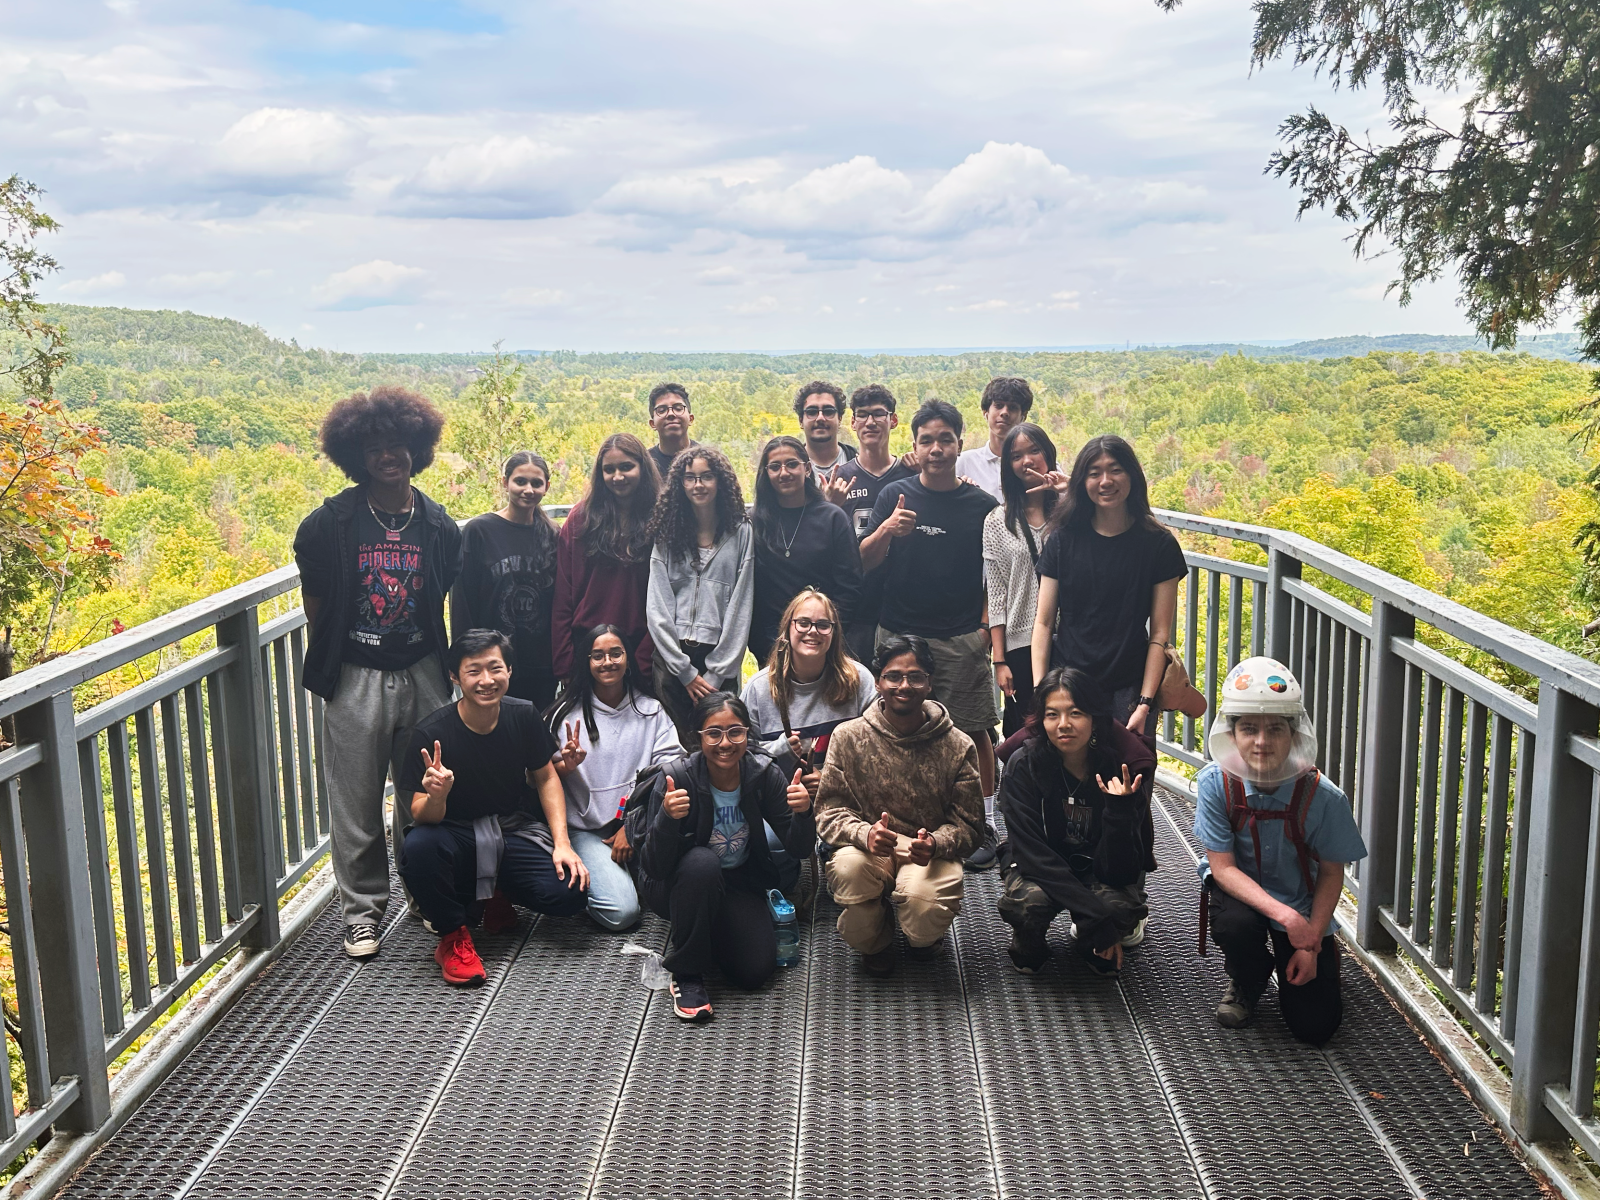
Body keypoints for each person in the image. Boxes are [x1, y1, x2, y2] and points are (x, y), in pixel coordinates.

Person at [293, 386, 461, 959]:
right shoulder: (330, 524)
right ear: (356, 457)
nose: (389, 457)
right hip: (356, 674)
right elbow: (317, 604)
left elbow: (441, 597)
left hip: (422, 669)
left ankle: (423, 893)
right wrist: (343, 653)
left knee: (421, 792)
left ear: (417, 448)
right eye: (375, 449)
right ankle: (362, 914)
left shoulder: (439, 525)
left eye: (398, 446)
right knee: (355, 799)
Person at [397, 630, 589, 986]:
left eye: (495, 668)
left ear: (510, 671)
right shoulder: (430, 734)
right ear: (455, 676)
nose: (486, 680)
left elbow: (546, 778)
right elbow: (421, 814)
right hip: (454, 834)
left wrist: (562, 843)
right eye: (473, 671)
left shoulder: (523, 715)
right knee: (418, 848)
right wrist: (437, 794)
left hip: (510, 829)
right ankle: (453, 936)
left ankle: (495, 894)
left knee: (569, 894)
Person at [1195, 657, 1366, 1044]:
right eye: (1249, 729)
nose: (1261, 741)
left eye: (1275, 729)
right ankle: (1248, 976)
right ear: (1232, 733)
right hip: (1243, 896)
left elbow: (1331, 871)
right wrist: (1285, 917)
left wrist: (1311, 939)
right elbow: (1222, 868)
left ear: (1293, 733)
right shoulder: (1215, 784)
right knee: (1233, 924)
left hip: (1302, 903)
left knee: (1316, 1027)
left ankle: (1321, 958)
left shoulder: (1323, 797)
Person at [860, 399, 1000, 867]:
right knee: (892, 729)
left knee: (974, 729)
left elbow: (995, 574)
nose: (936, 449)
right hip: (899, 632)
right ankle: (892, 818)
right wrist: (886, 530)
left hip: (961, 635)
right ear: (914, 447)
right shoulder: (895, 497)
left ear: (960, 443)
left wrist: (984, 629)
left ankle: (980, 823)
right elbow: (863, 562)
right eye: (926, 441)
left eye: (945, 440)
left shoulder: (982, 505)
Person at [632, 693, 815, 1021]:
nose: (725, 743)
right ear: (698, 738)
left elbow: (799, 849)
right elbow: (654, 866)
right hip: (678, 883)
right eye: (714, 733)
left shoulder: (762, 774)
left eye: (735, 732)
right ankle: (686, 972)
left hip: (735, 881)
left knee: (754, 971)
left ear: (747, 733)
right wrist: (667, 819)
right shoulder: (678, 778)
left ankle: (705, 929)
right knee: (702, 862)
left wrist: (803, 813)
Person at [815, 636, 982, 975]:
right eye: (893, 676)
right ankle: (875, 936)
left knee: (923, 917)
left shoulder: (957, 744)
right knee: (849, 873)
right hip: (868, 850)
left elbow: (971, 826)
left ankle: (923, 935)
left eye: (916, 676)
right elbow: (827, 811)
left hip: (928, 852)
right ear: (878, 682)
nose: (904, 685)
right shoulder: (847, 737)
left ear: (930, 683)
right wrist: (864, 834)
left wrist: (936, 843)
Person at [996, 668, 1157, 977]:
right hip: (1040, 866)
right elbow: (1031, 854)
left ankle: (1091, 945)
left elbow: (1122, 870)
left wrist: (1120, 810)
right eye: (1052, 714)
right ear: (1041, 721)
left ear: (1095, 718)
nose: (1064, 725)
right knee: (1027, 903)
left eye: (1076, 713)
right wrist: (1097, 917)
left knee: (1121, 907)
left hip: (1097, 865)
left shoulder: (1119, 768)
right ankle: (1030, 942)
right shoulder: (1024, 765)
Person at [1030, 434, 1184, 737]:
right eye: (1094, 473)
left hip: (1129, 687)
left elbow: (1159, 635)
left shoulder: (1158, 544)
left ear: (1132, 475)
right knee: (1067, 781)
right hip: (1069, 685)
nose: (1105, 481)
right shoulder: (1062, 539)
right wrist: (1040, 691)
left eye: (1115, 470)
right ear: (1082, 482)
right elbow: (1044, 622)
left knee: (1129, 778)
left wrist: (1144, 703)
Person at [742, 588, 877, 890]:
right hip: (780, 801)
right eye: (803, 623)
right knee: (774, 849)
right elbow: (739, 757)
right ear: (787, 628)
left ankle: (837, 854)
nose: (812, 631)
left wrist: (830, 779)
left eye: (823, 625)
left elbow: (882, 751)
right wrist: (779, 751)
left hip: (849, 798)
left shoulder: (860, 680)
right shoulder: (759, 688)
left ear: (834, 632)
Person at [548, 625, 680, 932]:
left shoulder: (651, 710)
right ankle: (596, 879)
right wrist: (566, 766)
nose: (607, 662)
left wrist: (632, 828)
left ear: (629, 659)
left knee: (683, 892)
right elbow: (538, 781)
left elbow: (671, 773)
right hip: (587, 831)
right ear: (586, 662)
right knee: (622, 913)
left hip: (640, 825)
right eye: (598, 656)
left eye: (615, 653)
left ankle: (625, 872)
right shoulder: (564, 715)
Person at [645, 447, 755, 745]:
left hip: (718, 658)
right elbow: (657, 605)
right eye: (690, 478)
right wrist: (684, 671)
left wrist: (716, 674)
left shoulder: (741, 531)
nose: (698, 485)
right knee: (674, 746)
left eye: (707, 477)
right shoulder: (668, 531)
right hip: (672, 661)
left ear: (720, 481)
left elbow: (741, 604)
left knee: (720, 744)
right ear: (680, 484)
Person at [452, 451, 560, 708]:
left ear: (547, 486)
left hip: (541, 663)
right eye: (520, 481)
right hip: (491, 664)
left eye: (536, 483)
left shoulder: (554, 535)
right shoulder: (480, 531)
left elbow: (561, 600)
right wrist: (464, 658)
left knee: (536, 735)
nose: (528, 489)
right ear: (505, 482)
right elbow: (463, 600)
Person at [819, 384, 916, 663]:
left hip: (903, 607)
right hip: (856, 610)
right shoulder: (839, 479)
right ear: (852, 422)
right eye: (862, 415)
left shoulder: (911, 474)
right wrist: (829, 508)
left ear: (893, 420)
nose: (870, 422)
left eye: (878, 414)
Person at [553, 433, 660, 683]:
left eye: (626, 467)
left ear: (642, 468)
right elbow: (563, 597)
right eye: (608, 469)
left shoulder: (660, 518)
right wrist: (565, 664)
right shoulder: (582, 519)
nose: (618, 476)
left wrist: (645, 659)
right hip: (589, 651)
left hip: (644, 652)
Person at [748, 435, 863, 664]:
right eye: (775, 467)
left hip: (822, 640)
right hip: (770, 643)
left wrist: (829, 633)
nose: (784, 473)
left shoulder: (833, 518)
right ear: (766, 473)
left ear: (807, 469)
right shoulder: (754, 522)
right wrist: (759, 641)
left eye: (792, 464)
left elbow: (850, 586)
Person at [984, 423, 1058, 738]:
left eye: (1034, 451)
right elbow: (997, 595)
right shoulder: (998, 521)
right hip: (1020, 642)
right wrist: (1000, 661)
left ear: (1048, 454)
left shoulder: (1073, 512)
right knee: (1025, 730)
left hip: (1072, 638)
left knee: (1068, 725)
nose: (1026, 461)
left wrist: (1069, 494)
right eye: (1016, 456)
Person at [955, 376, 1033, 501]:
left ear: (1023, 416)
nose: (1004, 413)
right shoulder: (964, 462)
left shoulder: (1036, 464)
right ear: (985, 413)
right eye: (998, 406)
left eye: (1012, 407)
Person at [793, 380, 856, 481]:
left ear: (839, 419)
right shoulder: (789, 469)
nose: (820, 418)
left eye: (828, 411)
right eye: (812, 412)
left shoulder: (859, 463)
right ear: (801, 420)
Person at [645, 382, 701, 482]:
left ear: (691, 419)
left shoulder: (710, 460)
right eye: (662, 410)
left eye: (678, 408)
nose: (671, 414)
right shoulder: (645, 464)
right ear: (652, 423)